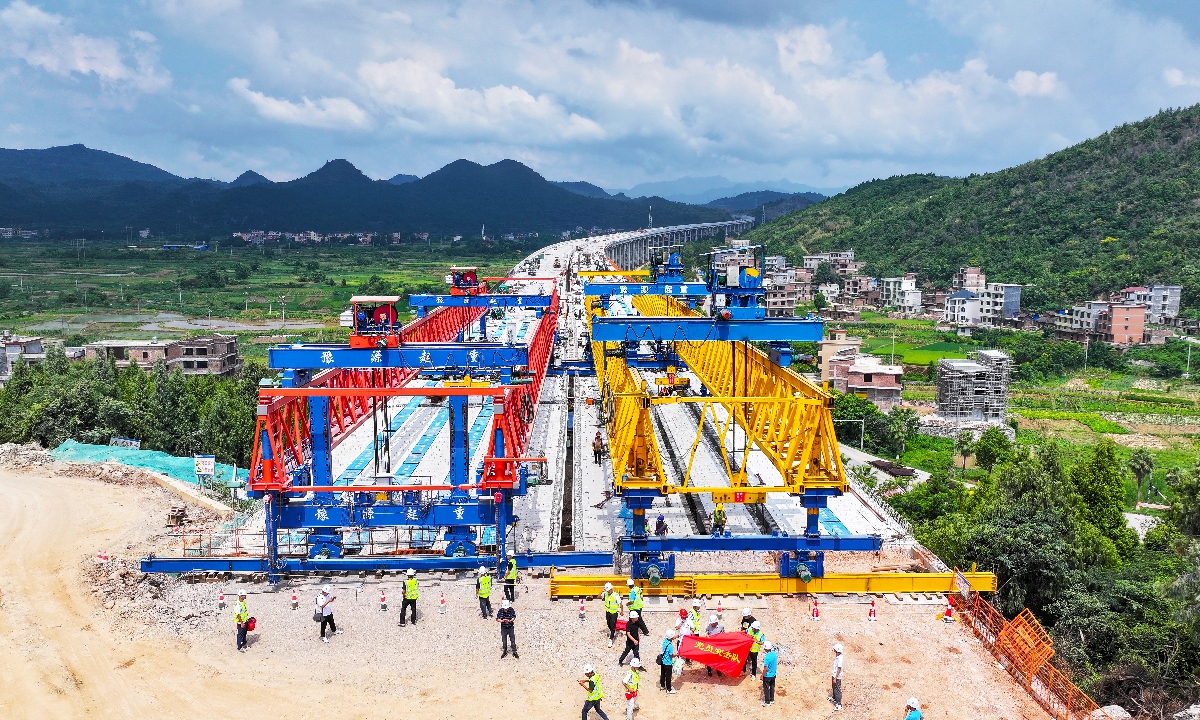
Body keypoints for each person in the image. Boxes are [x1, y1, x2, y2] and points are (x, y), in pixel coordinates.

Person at [602, 582, 622, 648]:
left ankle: (611, 639)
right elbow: (598, 596)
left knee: (613, 626)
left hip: (614, 613)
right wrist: (602, 591)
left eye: (608, 590)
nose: (607, 592)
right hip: (608, 612)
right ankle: (613, 632)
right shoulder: (606, 594)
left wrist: (621, 611)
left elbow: (620, 603)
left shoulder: (615, 595)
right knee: (608, 623)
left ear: (611, 589)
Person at [760, 641, 778, 706]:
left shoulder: (767, 657)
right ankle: (772, 699)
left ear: (765, 648)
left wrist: (762, 675)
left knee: (766, 688)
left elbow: (766, 668)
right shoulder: (774, 654)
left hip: (767, 676)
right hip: (773, 675)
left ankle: (767, 702)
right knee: (772, 687)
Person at [829, 642, 844, 711]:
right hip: (834, 675)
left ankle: (839, 704)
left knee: (837, 689)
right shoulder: (838, 657)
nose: (833, 649)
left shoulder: (840, 659)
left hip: (837, 677)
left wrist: (835, 678)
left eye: (834, 649)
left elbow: (839, 669)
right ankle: (834, 698)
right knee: (834, 687)